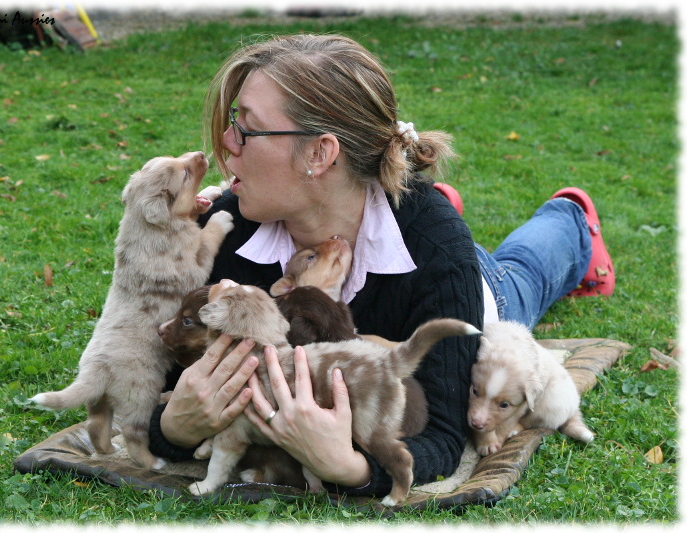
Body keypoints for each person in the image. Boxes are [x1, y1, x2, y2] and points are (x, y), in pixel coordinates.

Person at [146, 34, 614, 497]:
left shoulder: (435, 243)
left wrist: (348, 467)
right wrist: (175, 427)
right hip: (393, 241)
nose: (226, 143)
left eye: (247, 129)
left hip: (463, 279)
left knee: (520, 278)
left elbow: (445, 437)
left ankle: (570, 218)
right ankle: (399, 195)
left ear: (319, 153)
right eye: (233, 121)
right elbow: (158, 374)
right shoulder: (231, 227)